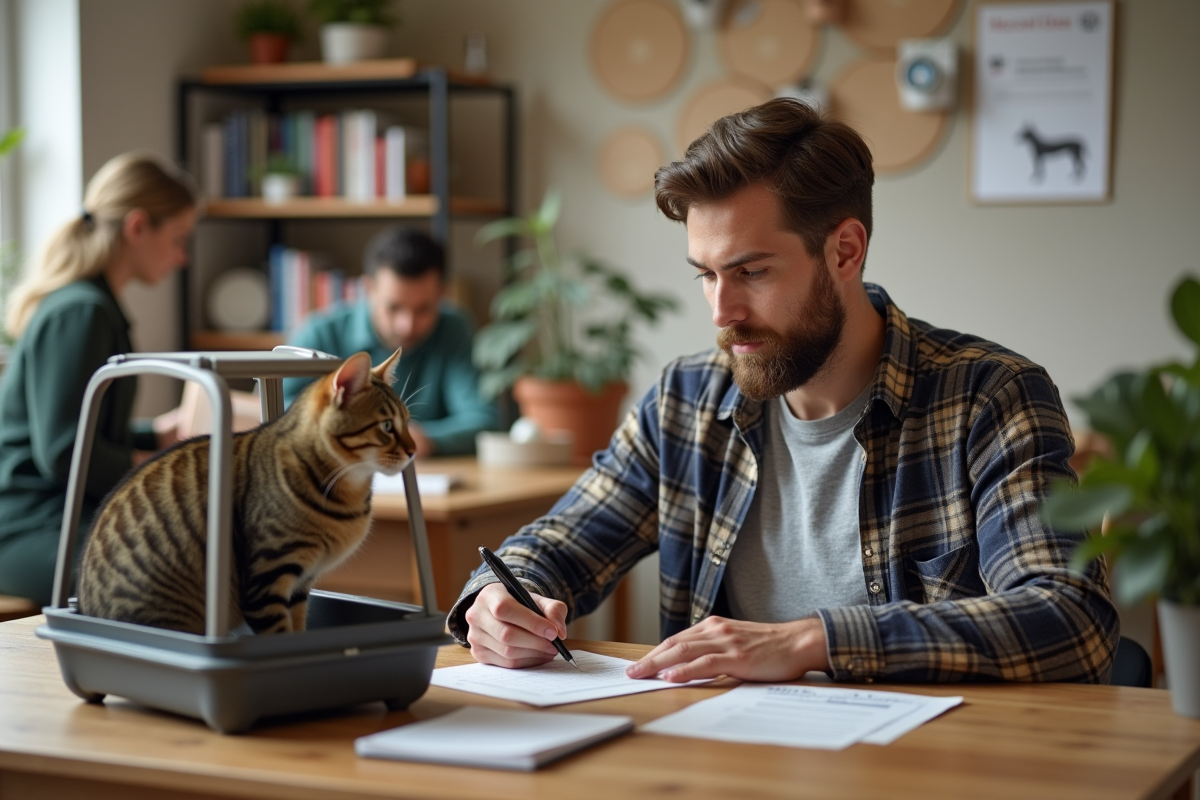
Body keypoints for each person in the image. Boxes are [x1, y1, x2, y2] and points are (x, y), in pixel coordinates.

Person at [448, 98, 1120, 684]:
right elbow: (560, 540)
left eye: (751, 271)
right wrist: (501, 599)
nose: (721, 310)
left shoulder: (990, 397)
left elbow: (1068, 616)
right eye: (705, 275)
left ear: (845, 251)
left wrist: (810, 640)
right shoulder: (686, 401)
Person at [0, 152, 198, 606]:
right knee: (171, 573)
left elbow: (79, 430)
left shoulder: (95, 308)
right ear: (137, 227)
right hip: (29, 528)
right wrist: (155, 466)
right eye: (179, 238)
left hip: (63, 518)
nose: (182, 258)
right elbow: (64, 453)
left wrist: (153, 434)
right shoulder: (81, 312)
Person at [282, 225, 499, 456]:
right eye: (393, 307)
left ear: (442, 294)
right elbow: (274, 413)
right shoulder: (319, 333)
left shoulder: (454, 328)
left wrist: (424, 439)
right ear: (368, 289)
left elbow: (483, 419)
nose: (407, 325)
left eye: (423, 309)